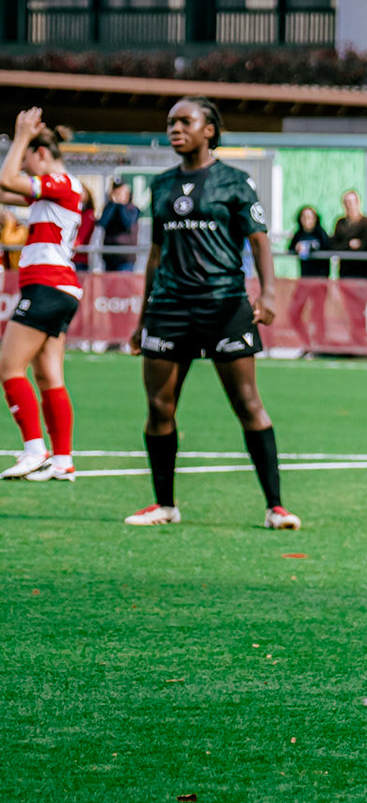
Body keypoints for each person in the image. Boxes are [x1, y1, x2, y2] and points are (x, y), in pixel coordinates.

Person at [124, 96, 299, 530]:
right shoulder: (161, 185)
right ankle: (164, 505)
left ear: (210, 131)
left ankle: (275, 507)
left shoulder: (235, 182)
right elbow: (155, 253)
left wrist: (270, 293)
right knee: (159, 407)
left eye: (185, 121)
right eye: (170, 122)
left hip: (223, 304)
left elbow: (259, 241)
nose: (175, 128)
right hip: (168, 307)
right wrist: (143, 316)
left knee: (247, 403)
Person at [0, 110, 82, 482]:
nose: (27, 168)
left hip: (47, 285)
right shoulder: (53, 192)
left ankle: (34, 450)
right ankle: (62, 460)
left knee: (8, 367)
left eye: (29, 157)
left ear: (41, 155)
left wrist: (19, 138)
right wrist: (20, 144)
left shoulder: (61, 182)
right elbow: (5, 187)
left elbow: (7, 178)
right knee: (49, 376)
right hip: (58, 287)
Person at [331, 189, 367, 281]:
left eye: (351, 202)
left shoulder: (366, 222)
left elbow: (366, 244)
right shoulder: (340, 223)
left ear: (357, 203)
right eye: (346, 202)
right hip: (344, 269)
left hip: (361, 269)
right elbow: (335, 245)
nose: (348, 205)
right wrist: (349, 244)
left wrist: (358, 244)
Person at [99, 176, 140, 272]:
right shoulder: (109, 207)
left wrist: (121, 205)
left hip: (125, 257)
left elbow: (127, 223)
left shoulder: (132, 208)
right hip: (109, 256)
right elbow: (102, 223)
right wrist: (113, 204)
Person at [289, 205, 331, 278]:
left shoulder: (320, 233)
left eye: (310, 218)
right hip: (305, 272)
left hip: (320, 273)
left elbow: (327, 247)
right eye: (304, 218)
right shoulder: (299, 234)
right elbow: (290, 248)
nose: (307, 221)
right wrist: (296, 247)